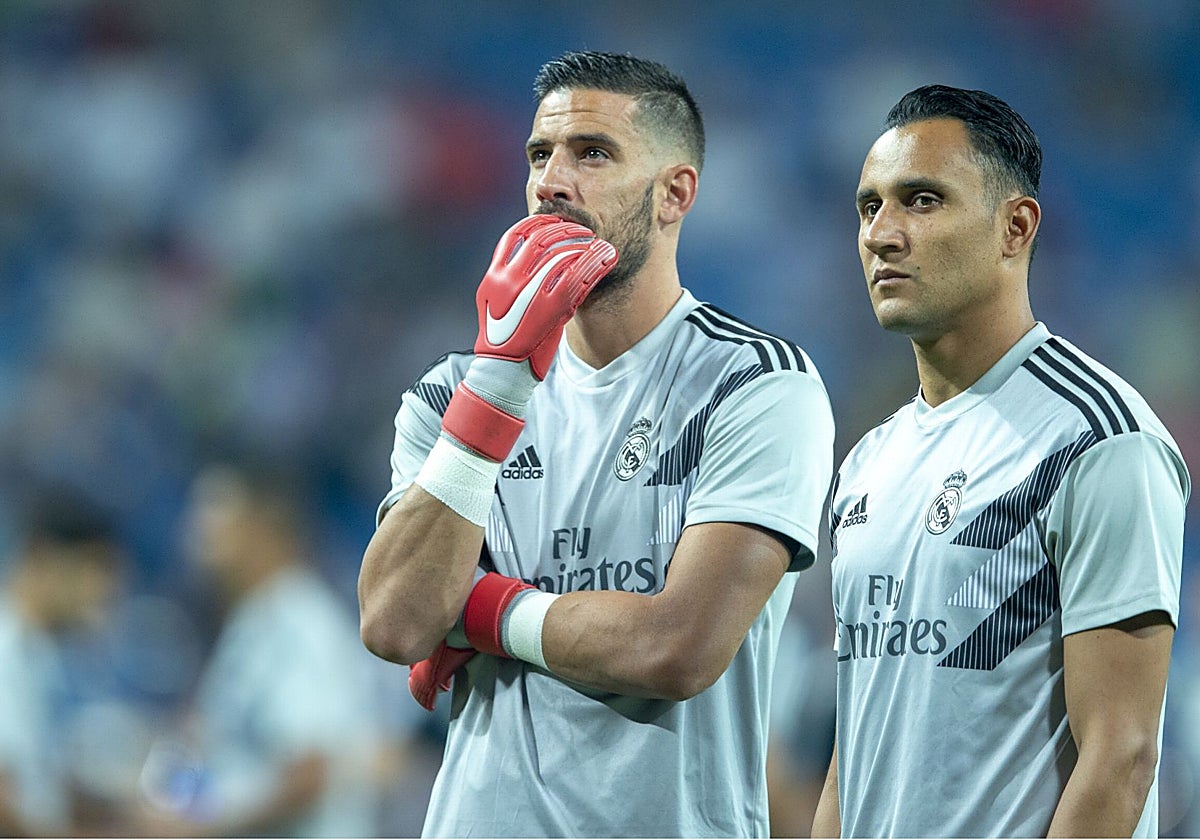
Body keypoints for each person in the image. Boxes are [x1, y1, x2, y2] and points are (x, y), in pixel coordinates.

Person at [359, 50, 835, 837]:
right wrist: (500, 386)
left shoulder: (757, 386)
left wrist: (478, 609)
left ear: (674, 194)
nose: (552, 181)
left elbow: (676, 649)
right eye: (540, 155)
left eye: (593, 153)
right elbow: (394, 623)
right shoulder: (453, 394)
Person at [810, 85, 1190, 838]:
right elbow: (855, 756)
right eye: (868, 207)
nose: (883, 234)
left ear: (1015, 227)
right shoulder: (867, 464)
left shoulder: (1098, 439)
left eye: (921, 201)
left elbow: (1123, 756)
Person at [136, 464, 387, 837]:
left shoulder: (300, 622)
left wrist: (202, 828)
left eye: (216, 510)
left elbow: (308, 772)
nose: (198, 526)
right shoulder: (254, 619)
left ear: (265, 526)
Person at [0, 498, 125, 836]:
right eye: (92, 567)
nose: (105, 589)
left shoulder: (39, 655)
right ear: (40, 557)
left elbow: (37, 787)